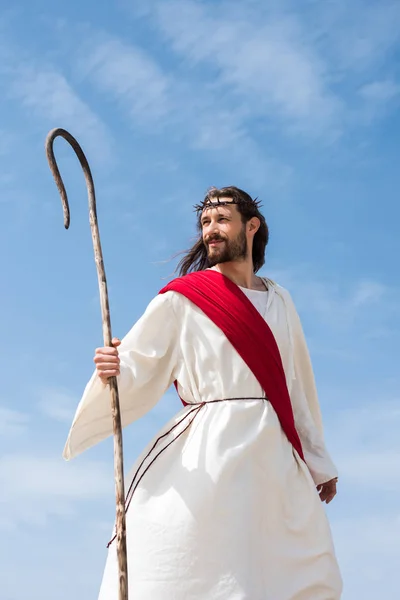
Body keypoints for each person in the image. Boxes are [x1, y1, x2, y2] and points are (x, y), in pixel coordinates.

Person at [64, 186, 342, 599]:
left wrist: (318, 461)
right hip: (208, 449)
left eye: (221, 220)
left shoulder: (281, 301)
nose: (210, 230)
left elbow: (297, 382)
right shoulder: (183, 299)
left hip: (273, 456)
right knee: (198, 563)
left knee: (298, 566)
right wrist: (114, 370)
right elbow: (138, 364)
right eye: (205, 223)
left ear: (252, 227)